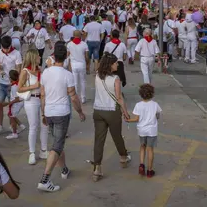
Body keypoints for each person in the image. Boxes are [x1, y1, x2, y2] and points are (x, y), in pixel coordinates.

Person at [38, 41, 86, 192]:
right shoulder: (67, 75)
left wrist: (43, 113)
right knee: (57, 145)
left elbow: (42, 95)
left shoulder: (46, 72)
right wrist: (80, 112)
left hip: (49, 112)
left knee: (58, 143)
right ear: (66, 57)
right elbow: (73, 97)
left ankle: (64, 169)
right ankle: (45, 179)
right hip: (61, 113)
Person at [90, 53, 132, 182]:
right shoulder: (116, 79)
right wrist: (125, 112)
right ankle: (123, 157)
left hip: (98, 111)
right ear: (110, 65)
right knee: (117, 136)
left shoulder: (97, 76)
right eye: (115, 63)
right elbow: (119, 98)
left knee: (99, 140)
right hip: (112, 111)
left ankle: (97, 168)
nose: (117, 64)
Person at [18, 49, 50, 165]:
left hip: (41, 99)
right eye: (38, 56)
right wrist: (33, 86)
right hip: (31, 99)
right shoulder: (25, 72)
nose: (40, 58)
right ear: (33, 57)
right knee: (33, 126)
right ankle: (32, 153)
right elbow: (19, 88)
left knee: (44, 124)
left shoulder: (40, 70)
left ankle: (43, 150)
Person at [126, 83, 162, 179]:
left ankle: (141, 164)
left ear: (140, 94)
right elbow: (158, 115)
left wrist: (128, 120)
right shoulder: (155, 105)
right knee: (150, 149)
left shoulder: (138, 105)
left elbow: (136, 119)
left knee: (142, 146)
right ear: (152, 94)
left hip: (142, 130)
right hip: (152, 131)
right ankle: (150, 171)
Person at [0, 36, 23, 137]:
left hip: (11, 84)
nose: (5, 50)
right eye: (4, 48)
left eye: (7, 48)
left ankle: (12, 125)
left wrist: (14, 82)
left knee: (12, 106)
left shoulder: (17, 53)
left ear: (11, 45)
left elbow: (18, 69)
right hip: (1, 83)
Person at [66, 30, 89, 103]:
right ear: (80, 35)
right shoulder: (84, 44)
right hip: (82, 64)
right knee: (83, 81)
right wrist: (88, 64)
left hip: (74, 64)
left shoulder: (69, 44)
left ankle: (76, 98)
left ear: (73, 35)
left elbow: (67, 55)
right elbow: (87, 56)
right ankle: (83, 98)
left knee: (75, 82)